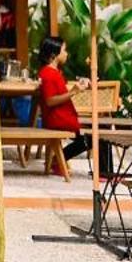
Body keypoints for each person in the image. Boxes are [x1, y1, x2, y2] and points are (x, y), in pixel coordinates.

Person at [33, 36, 87, 169]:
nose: (66, 53)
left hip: (62, 118)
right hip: (58, 119)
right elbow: (50, 101)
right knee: (93, 138)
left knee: (91, 138)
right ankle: (57, 161)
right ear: (54, 55)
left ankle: (57, 160)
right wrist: (73, 92)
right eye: (64, 50)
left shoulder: (54, 73)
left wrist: (76, 87)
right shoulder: (48, 74)